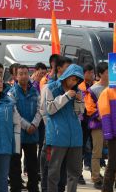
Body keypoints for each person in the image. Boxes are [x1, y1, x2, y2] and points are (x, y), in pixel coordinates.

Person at [44, 63, 86, 192]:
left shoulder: (78, 91)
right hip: (58, 136)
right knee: (54, 172)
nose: (74, 82)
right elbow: (49, 109)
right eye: (73, 79)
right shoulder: (51, 87)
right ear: (67, 76)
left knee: (75, 172)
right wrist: (66, 96)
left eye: (77, 80)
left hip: (75, 137)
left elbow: (79, 113)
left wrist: (79, 101)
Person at [8, 65, 42, 192]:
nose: (23, 76)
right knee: (15, 163)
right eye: (20, 74)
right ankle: (15, 187)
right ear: (16, 76)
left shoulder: (34, 91)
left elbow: (40, 109)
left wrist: (34, 124)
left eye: (25, 73)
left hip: (32, 133)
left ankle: (33, 187)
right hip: (17, 134)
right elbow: (13, 112)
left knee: (32, 164)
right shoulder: (11, 92)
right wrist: (27, 126)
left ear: (29, 75)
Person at [87, 62, 108, 189]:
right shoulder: (93, 89)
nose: (109, 74)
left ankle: (115, 177)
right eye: (107, 72)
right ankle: (96, 178)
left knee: (114, 152)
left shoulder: (114, 86)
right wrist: (100, 115)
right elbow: (89, 108)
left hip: (112, 125)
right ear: (100, 74)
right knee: (97, 152)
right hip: (98, 125)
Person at [79, 63, 96, 185]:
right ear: (83, 74)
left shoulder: (96, 86)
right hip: (83, 121)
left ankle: (95, 174)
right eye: (88, 72)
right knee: (81, 148)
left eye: (92, 72)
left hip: (95, 121)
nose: (91, 74)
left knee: (95, 148)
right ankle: (78, 173)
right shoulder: (79, 86)